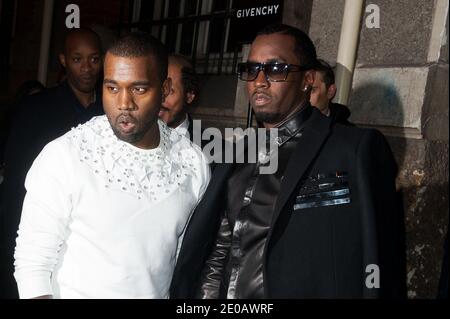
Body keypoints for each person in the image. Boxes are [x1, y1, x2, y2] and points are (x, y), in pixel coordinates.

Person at [170, 24, 405, 298]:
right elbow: (220, 248)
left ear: (307, 79)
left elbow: (380, 254)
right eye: (252, 69)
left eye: (275, 69)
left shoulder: (354, 149)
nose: (259, 80)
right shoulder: (232, 154)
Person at [13, 32, 210, 299]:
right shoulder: (65, 155)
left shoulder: (192, 163)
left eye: (138, 88)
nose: (123, 103)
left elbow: (181, 261)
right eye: (112, 88)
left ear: (164, 90)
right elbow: (32, 264)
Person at [0, 27, 104, 298]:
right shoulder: (36, 109)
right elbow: (15, 184)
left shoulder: (110, 112)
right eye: (77, 59)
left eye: (94, 59)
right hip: (40, 234)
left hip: (91, 241)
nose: (86, 68)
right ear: (63, 60)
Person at [159, 54, 199, 141]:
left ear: (189, 96)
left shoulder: (219, 151)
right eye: (155, 90)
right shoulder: (127, 141)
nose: (158, 99)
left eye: (169, 91)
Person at [310, 59, 353, 126]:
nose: (302, 97)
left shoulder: (349, 133)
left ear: (330, 91)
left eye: (311, 90)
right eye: (298, 90)